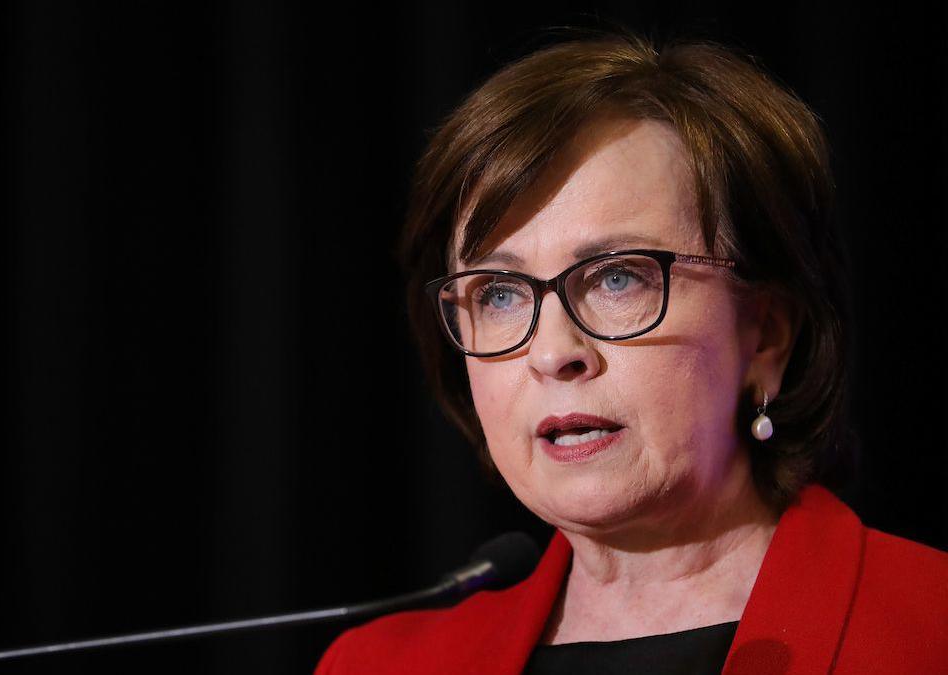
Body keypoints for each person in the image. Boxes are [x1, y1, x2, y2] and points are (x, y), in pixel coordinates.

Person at [315, 28, 948, 675]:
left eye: (618, 277)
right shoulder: (377, 663)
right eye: (500, 292)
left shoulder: (929, 627)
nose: (553, 352)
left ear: (765, 334)